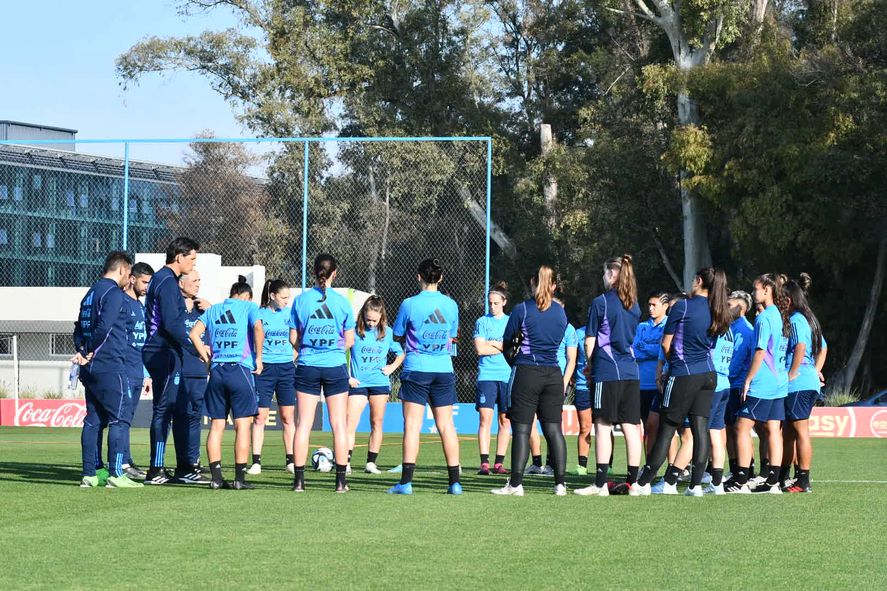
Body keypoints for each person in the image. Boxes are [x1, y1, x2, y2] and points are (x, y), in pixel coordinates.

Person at [632, 267, 732, 497]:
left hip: (684, 373)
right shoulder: (719, 309)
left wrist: (672, 366)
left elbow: (666, 345)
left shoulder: (683, 306)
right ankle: (695, 486)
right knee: (700, 429)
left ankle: (644, 482)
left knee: (667, 427)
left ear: (698, 281)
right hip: (709, 374)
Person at [491, 265, 569, 497]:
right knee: (554, 429)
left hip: (527, 372)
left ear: (533, 283)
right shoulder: (561, 312)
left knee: (522, 430)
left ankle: (515, 485)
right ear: (553, 285)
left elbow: (507, 343)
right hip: (553, 374)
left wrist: (516, 363)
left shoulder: (522, 308)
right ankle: (560, 485)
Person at [387, 258, 462, 495]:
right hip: (443, 369)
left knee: (411, 426)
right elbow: (451, 335)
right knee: (447, 426)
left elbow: (397, 333)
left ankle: (406, 483)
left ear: (418, 276)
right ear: (440, 278)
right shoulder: (451, 305)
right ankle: (455, 483)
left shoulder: (409, 304)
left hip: (416, 368)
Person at [575, 255, 642, 497]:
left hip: (607, 370)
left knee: (602, 425)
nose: (604, 277)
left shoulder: (600, 302)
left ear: (612, 274)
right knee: (631, 427)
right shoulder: (634, 304)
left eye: (605, 272)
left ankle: (600, 483)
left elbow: (590, 338)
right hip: (630, 372)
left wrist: (589, 366)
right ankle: (634, 484)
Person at [74, 251, 141, 488]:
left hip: (91, 369)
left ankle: (89, 474)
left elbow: (78, 328)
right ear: (122, 270)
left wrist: (82, 351)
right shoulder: (113, 294)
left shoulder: (90, 293)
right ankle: (116, 474)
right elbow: (104, 328)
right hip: (111, 365)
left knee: (93, 419)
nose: (130, 279)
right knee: (119, 419)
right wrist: (90, 349)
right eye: (130, 274)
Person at [289, 255, 355, 493]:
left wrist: (308, 350)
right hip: (335, 366)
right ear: (334, 273)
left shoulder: (301, 301)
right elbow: (349, 341)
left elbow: (293, 338)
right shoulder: (342, 302)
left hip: (307, 365)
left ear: (315, 272)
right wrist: (331, 348)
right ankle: (340, 483)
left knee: (303, 425)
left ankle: (298, 482)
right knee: (339, 425)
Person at [189, 279, 263, 489]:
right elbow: (258, 328)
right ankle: (239, 479)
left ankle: (216, 478)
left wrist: (206, 358)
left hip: (217, 371)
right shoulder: (249, 307)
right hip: (239, 369)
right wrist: (259, 357)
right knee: (242, 426)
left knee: (216, 425)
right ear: (246, 296)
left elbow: (194, 334)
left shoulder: (214, 311)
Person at [725, 273, 791, 494]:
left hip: (763, 382)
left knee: (741, 427)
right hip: (779, 382)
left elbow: (761, 351)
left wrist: (748, 379)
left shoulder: (764, 318)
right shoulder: (782, 315)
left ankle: (741, 480)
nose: (753, 293)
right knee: (773, 429)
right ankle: (773, 481)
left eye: (755, 289)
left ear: (767, 291)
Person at [142, 237, 201, 485]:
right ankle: (156, 470)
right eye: (192, 258)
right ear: (179, 257)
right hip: (163, 352)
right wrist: (195, 347)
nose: (194, 263)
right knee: (163, 410)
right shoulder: (166, 281)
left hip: (168, 351)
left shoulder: (165, 280)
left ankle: (184, 468)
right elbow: (172, 323)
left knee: (176, 409)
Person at [346, 295, 405, 474]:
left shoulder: (387, 332)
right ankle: (345, 461)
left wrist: (392, 367)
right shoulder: (354, 332)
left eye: (374, 320)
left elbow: (400, 353)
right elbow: (339, 353)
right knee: (349, 422)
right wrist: (347, 376)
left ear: (381, 317)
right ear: (363, 315)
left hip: (379, 383)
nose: (371, 323)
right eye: (368, 319)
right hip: (358, 383)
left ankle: (371, 463)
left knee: (376, 422)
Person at [781, 274, 827, 493]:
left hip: (799, 383)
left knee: (800, 430)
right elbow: (823, 347)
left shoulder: (797, 319)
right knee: (789, 431)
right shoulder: (810, 319)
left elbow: (800, 347)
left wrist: (793, 372)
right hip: (807, 381)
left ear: (788, 300)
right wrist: (815, 371)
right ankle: (784, 477)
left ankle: (803, 480)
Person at [249, 279, 297, 475]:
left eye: (288, 297)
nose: (287, 301)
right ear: (272, 296)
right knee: (260, 417)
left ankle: (291, 461)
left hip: (286, 369)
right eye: (284, 297)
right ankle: (256, 462)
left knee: (287, 417)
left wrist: (293, 356)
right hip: (265, 370)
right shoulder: (259, 314)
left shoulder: (290, 314)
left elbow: (297, 338)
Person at [473, 283, 512, 476]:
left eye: (496, 303)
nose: (493, 306)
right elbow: (480, 349)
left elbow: (512, 348)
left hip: (506, 377)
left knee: (505, 420)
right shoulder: (481, 322)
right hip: (486, 376)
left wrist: (493, 344)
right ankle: (484, 463)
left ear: (504, 302)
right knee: (485, 419)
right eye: (490, 303)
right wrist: (500, 345)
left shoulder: (511, 321)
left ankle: (499, 463)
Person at [121, 262, 154, 479]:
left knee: (127, 417)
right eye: (144, 282)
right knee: (121, 418)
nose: (147, 287)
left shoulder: (140, 306)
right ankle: (121, 463)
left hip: (136, 370)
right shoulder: (122, 302)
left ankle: (126, 459)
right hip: (122, 369)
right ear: (132, 278)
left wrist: (147, 373)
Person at [178, 269, 212, 476]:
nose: (198, 284)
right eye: (194, 280)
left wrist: (213, 309)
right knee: (179, 417)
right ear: (181, 283)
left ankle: (193, 461)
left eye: (200, 280)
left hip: (200, 371)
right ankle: (181, 462)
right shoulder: (174, 309)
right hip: (179, 370)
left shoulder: (204, 310)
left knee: (194, 417)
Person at [634, 291, 669, 455]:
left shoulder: (669, 325)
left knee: (664, 427)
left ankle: (672, 467)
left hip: (660, 383)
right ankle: (648, 465)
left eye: (654, 305)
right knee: (646, 426)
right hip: (642, 383)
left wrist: (647, 348)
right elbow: (635, 351)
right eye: (649, 304)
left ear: (666, 307)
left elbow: (663, 349)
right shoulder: (641, 327)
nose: (651, 308)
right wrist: (652, 350)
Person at [725, 290, 754, 479]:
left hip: (736, 385)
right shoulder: (731, 326)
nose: (725, 308)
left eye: (729, 305)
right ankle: (735, 468)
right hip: (729, 384)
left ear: (741, 308)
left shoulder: (744, 329)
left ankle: (746, 470)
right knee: (729, 429)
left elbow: (736, 361)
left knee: (738, 429)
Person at [704, 318, 734, 495]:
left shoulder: (716, 328)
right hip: (724, 382)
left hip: (713, 383)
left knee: (700, 433)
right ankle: (716, 483)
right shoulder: (729, 329)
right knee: (715, 433)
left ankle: (695, 479)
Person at [572, 325, 591, 475]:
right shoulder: (578, 333)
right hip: (582, 386)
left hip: (602, 385)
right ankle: (582, 467)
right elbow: (572, 357)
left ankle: (606, 466)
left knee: (605, 426)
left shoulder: (607, 330)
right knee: (585, 427)